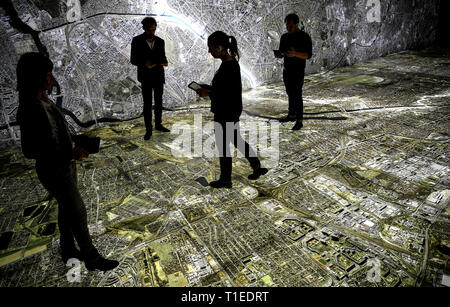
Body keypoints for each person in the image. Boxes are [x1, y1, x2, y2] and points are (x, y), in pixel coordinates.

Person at [16, 52, 119, 272]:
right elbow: (30, 150)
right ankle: (91, 257)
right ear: (33, 76)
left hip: (64, 165)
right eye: (46, 74)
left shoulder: (43, 99)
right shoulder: (29, 107)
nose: (50, 78)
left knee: (66, 209)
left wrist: (76, 144)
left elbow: (55, 133)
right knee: (78, 210)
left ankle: (67, 248)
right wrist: (67, 153)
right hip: (53, 169)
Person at [196, 31, 268, 189]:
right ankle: (257, 167)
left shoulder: (229, 66)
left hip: (226, 111)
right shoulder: (230, 63)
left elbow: (224, 93)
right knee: (237, 140)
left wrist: (208, 93)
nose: (209, 51)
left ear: (219, 47)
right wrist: (208, 89)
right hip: (231, 110)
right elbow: (222, 89)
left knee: (223, 145)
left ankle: (225, 179)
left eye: (210, 48)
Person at [130, 17, 170, 140]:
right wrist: (144, 64)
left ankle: (158, 124)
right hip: (146, 77)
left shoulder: (160, 41)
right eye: (149, 30)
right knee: (147, 104)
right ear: (144, 28)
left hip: (158, 76)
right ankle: (148, 129)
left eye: (153, 30)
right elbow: (133, 60)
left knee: (158, 103)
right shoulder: (136, 41)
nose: (152, 32)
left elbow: (163, 57)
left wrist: (164, 62)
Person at [275, 13, 312, 130]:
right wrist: (279, 55)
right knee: (290, 93)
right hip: (287, 70)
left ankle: (299, 120)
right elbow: (282, 52)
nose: (288, 28)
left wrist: (295, 53)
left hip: (298, 71)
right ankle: (291, 115)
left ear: (296, 25)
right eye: (286, 26)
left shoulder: (304, 37)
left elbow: (308, 55)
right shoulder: (284, 37)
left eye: (290, 26)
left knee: (297, 94)